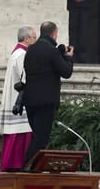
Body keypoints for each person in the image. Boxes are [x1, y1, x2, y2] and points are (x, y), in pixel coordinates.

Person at [21, 21, 74, 164]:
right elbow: (66, 72)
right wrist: (68, 57)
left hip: (30, 100)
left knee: (37, 136)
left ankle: (33, 168)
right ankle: (26, 167)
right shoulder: (51, 51)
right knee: (41, 138)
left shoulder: (30, 50)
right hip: (46, 101)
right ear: (54, 34)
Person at [0, 26, 37, 172]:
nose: (35, 40)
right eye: (33, 37)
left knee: (17, 132)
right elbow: (24, 77)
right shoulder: (22, 55)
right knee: (20, 131)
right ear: (26, 39)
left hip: (15, 97)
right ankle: (16, 164)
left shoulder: (17, 53)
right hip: (20, 99)